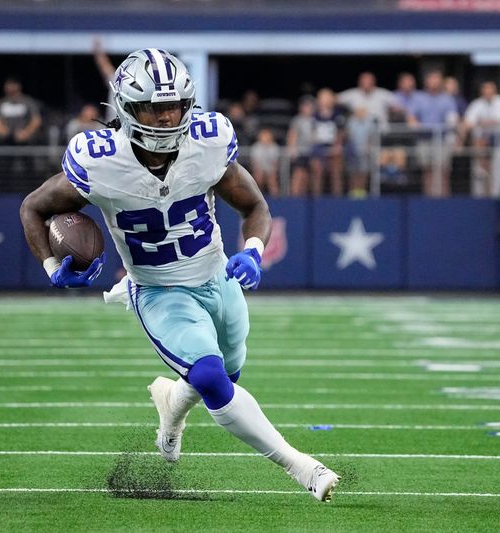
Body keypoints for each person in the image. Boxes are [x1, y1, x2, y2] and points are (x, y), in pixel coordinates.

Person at [20, 48, 340, 502]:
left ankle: (171, 408)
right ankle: (302, 467)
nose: (168, 117)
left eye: (175, 106)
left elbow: (254, 206)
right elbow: (33, 206)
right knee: (212, 378)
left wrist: (252, 250)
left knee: (228, 372)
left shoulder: (208, 143)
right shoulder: (100, 161)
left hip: (217, 279)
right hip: (158, 290)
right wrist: (52, 265)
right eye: (155, 106)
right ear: (128, 109)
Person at [406, 70, 459, 197]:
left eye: (437, 80)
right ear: (426, 82)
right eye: (431, 79)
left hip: (441, 140)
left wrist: (452, 131)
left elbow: (452, 118)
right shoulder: (418, 98)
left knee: (443, 171)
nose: (434, 83)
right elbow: (411, 117)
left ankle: (444, 199)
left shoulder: (447, 99)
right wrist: (417, 126)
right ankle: (429, 199)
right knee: (427, 170)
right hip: (424, 139)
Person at [463, 81, 500, 196]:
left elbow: (497, 120)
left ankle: (495, 192)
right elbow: (468, 122)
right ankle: (482, 170)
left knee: (497, 172)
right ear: (482, 92)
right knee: (479, 142)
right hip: (481, 141)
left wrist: (479, 123)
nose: (488, 93)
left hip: (498, 140)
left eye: (490, 91)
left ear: (494, 91)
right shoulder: (477, 104)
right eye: (485, 91)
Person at [310, 88, 347, 197]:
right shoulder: (314, 116)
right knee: (317, 169)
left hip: (334, 147)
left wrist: (336, 146)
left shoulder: (338, 115)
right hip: (318, 147)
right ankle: (317, 199)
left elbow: (341, 133)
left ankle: (337, 198)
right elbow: (312, 134)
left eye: (327, 98)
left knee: (336, 170)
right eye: (322, 98)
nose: (325, 100)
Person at [286, 95, 316, 197]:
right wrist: (292, 149)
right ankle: (294, 197)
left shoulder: (315, 120)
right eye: (305, 106)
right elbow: (292, 135)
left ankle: (303, 198)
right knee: (298, 175)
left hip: (312, 152)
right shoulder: (297, 120)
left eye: (309, 106)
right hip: (300, 152)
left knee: (307, 178)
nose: (307, 108)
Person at [249, 128, 281, 196]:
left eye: (267, 136)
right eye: (264, 136)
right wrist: (260, 171)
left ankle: (276, 200)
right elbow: (255, 163)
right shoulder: (256, 147)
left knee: (272, 180)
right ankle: (256, 198)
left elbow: (275, 164)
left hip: (270, 170)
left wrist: (271, 172)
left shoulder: (274, 147)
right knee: (258, 177)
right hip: (259, 170)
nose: (265, 138)